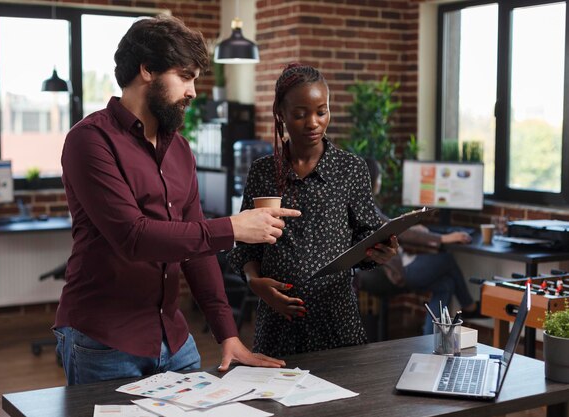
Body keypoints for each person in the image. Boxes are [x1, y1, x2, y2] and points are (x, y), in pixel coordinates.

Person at [54, 15, 302, 386]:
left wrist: (227, 334)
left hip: (173, 340)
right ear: (147, 70)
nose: (193, 91)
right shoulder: (89, 141)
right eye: (185, 76)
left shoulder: (181, 150)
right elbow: (134, 238)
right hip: (103, 339)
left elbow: (195, 249)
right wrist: (233, 228)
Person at [227, 63, 399, 358]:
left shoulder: (351, 169)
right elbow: (245, 248)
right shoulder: (262, 172)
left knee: (341, 401)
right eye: (300, 114)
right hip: (277, 322)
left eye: (322, 111)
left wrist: (381, 250)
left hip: (337, 319)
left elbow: (368, 236)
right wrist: (256, 284)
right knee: (272, 401)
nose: (313, 123)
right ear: (281, 114)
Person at [354, 158, 480, 335]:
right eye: (380, 177)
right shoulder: (366, 207)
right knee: (447, 260)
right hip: (395, 270)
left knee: (446, 283)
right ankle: (469, 306)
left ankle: (431, 340)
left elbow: (388, 227)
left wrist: (412, 227)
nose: (381, 182)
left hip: (390, 267)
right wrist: (444, 238)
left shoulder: (363, 205)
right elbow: (395, 231)